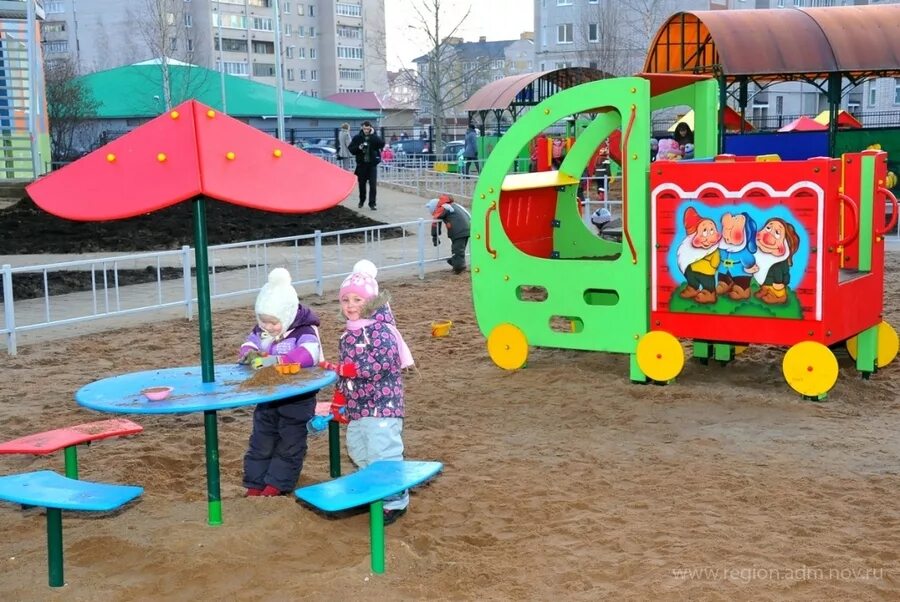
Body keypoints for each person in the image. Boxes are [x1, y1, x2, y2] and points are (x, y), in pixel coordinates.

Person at [321, 260, 415, 525]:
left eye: (357, 299)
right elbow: (346, 373)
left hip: (383, 404)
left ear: (371, 302)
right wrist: (341, 399)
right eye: (346, 300)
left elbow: (384, 361)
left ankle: (395, 500)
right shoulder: (349, 333)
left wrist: (347, 369)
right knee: (358, 450)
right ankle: (375, 494)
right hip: (358, 405)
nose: (351, 305)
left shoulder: (380, 329)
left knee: (382, 452)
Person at [237, 268, 323, 497]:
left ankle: (277, 484)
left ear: (286, 315)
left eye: (273, 323)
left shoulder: (303, 330)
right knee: (261, 440)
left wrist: (282, 360)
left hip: (297, 397)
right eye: (263, 322)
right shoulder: (262, 329)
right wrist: (251, 355)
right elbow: (248, 345)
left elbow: (310, 353)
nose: (268, 327)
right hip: (267, 396)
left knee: (290, 443)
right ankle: (255, 484)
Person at [426, 195, 471, 274]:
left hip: (459, 231)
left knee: (457, 250)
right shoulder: (453, 205)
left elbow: (435, 224)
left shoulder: (442, 208)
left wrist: (435, 237)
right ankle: (456, 263)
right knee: (460, 249)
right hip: (467, 228)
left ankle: (458, 268)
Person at [348, 121, 384, 210]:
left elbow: (381, 144)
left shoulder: (373, 137)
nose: (366, 131)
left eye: (368, 129)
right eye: (364, 129)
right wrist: (358, 148)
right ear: (362, 128)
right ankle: (362, 200)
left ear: (370, 128)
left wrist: (373, 135)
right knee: (362, 185)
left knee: (373, 185)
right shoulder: (357, 138)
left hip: (372, 165)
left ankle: (372, 203)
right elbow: (351, 149)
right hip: (361, 165)